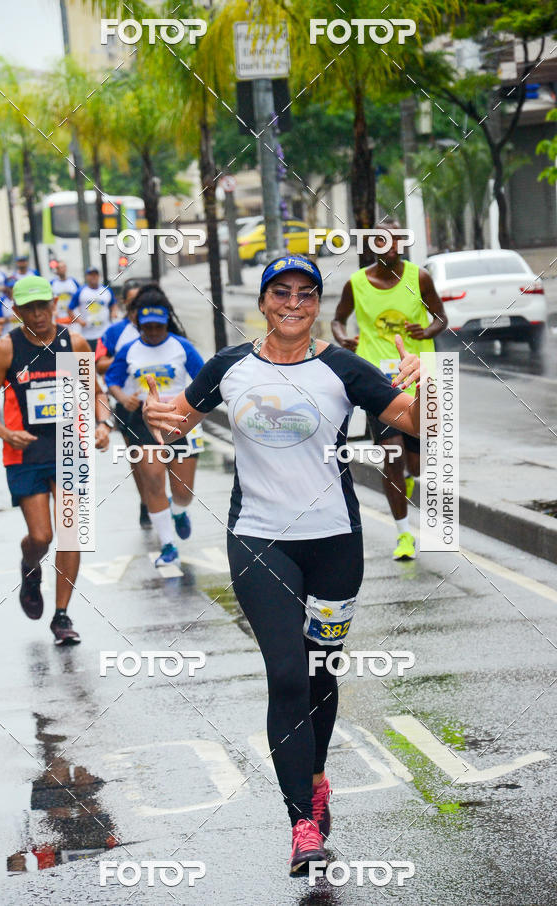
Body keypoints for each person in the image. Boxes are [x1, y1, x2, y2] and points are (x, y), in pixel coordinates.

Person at [143, 254, 422, 873]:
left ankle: (317, 777)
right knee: (289, 675)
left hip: (335, 544)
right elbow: (174, 420)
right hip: (259, 539)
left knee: (322, 672)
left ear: (317, 303)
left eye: (305, 294)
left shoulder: (343, 369)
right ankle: (301, 825)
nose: (292, 304)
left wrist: (428, 385)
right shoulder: (230, 367)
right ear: (264, 302)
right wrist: (153, 418)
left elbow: (418, 424)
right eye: (281, 292)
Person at [0, 276, 112, 644]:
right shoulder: (7, 348)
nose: (37, 314)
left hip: (70, 447)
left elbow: (96, 394)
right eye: (28, 308)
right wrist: (6, 433)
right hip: (25, 452)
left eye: (42, 306)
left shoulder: (74, 342)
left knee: (70, 535)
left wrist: (101, 425)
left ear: (54, 304)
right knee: (41, 536)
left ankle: (62, 616)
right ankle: (30, 567)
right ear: (16, 311)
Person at [331, 221, 447, 561]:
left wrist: (427, 331)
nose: (389, 245)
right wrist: (342, 337)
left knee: (416, 464)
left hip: (418, 377)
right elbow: (339, 319)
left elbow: (441, 317)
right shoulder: (357, 283)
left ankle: (409, 479)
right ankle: (404, 535)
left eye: (395, 239)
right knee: (391, 457)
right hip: (377, 382)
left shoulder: (419, 278)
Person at [106, 284, 205, 564]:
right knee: (153, 480)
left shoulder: (181, 347)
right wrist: (124, 398)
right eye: (146, 327)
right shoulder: (129, 349)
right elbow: (112, 380)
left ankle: (179, 511)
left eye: (157, 327)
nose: (151, 332)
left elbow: (205, 381)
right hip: (142, 422)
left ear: (166, 323)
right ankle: (168, 545)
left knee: (183, 493)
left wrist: (189, 402)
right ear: (138, 323)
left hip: (178, 419)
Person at [95, 281, 148, 527]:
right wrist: (126, 356)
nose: (138, 306)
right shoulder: (115, 332)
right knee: (138, 459)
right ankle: (147, 501)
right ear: (124, 303)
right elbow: (98, 363)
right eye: (133, 301)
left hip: (161, 404)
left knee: (167, 457)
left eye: (142, 299)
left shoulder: (159, 325)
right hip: (128, 405)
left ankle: (164, 500)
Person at [68, 266, 118, 351]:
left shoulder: (106, 290)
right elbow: (70, 309)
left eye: (95, 274)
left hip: (104, 333)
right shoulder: (81, 291)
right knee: (87, 362)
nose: (93, 277)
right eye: (90, 275)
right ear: (86, 277)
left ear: (99, 276)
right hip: (87, 335)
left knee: (104, 361)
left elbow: (113, 304)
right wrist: (80, 322)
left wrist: (114, 312)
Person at [50, 260, 80, 325]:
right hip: (59, 319)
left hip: (73, 319)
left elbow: (79, 298)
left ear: (66, 268)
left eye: (63, 267)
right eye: (59, 268)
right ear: (56, 269)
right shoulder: (52, 283)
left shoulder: (73, 282)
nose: (61, 269)